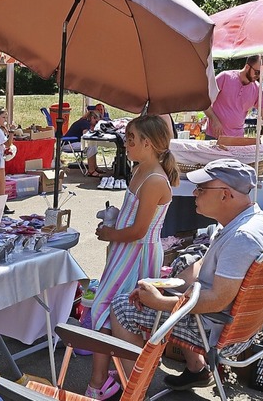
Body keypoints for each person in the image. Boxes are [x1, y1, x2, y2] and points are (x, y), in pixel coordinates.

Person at [109, 159, 263, 391]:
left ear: (225, 195)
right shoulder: (252, 220)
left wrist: (161, 302)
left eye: (201, 189)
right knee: (181, 275)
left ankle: (135, 391)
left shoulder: (241, 238)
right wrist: (168, 284)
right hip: (244, 325)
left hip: (217, 331)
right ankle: (196, 369)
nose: (194, 194)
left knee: (120, 307)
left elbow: (218, 299)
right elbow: (203, 268)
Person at [86, 115, 180, 399]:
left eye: (130, 139)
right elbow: (133, 219)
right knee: (105, 311)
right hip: (125, 251)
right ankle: (104, 377)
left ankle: (102, 380)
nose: (125, 144)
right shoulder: (140, 170)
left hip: (137, 253)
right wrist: (114, 224)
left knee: (107, 308)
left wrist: (108, 234)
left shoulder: (153, 180)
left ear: (148, 143)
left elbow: (139, 230)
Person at [204, 55, 263, 139]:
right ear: (247, 67)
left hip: (237, 139)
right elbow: (203, 100)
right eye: (257, 72)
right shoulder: (225, 77)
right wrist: (214, 120)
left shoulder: (257, 88)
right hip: (214, 136)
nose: (259, 76)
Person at [63, 110, 102, 177]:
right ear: (92, 117)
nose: (96, 124)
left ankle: (94, 167)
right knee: (91, 146)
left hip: (71, 142)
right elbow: (86, 135)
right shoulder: (85, 123)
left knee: (93, 144)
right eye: (96, 122)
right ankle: (91, 171)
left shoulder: (83, 121)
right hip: (68, 144)